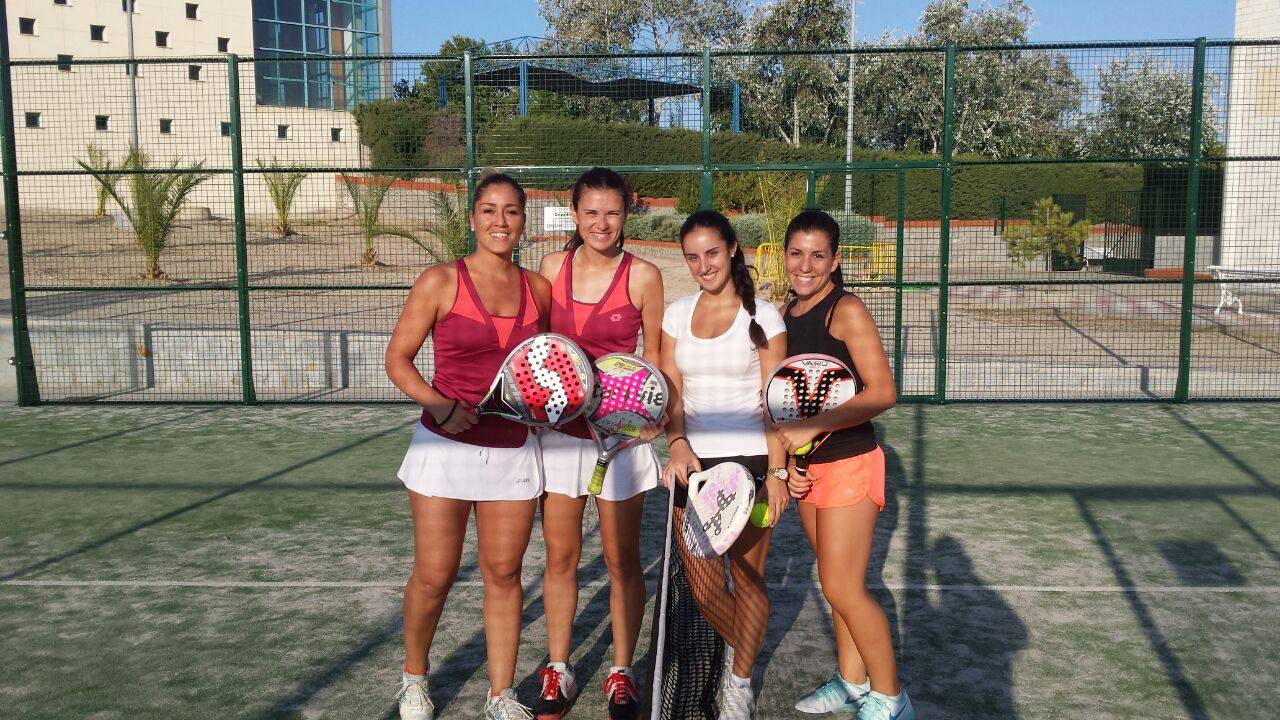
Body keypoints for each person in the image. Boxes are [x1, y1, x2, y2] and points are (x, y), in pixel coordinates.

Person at [385, 173, 551, 720]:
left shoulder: (538, 290)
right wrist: (439, 405)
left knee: (504, 576)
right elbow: (398, 360)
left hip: (513, 451)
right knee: (435, 573)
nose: (500, 222)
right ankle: (414, 679)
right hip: (444, 451)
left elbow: (541, 366)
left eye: (511, 212)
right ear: (472, 217)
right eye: (488, 210)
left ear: (524, 221)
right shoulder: (439, 281)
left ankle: (500, 695)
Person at [533, 168, 666, 720]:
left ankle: (620, 670)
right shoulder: (548, 269)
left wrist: (651, 418)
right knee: (560, 557)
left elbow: (656, 357)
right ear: (574, 212)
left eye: (612, 212)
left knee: (621, 561)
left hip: (621, 437)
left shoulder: (645, 276)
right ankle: (558, 668)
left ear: (627, 214)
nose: (602, 223)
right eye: (591, 212)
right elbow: (539, 352)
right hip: (560, 436)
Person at [775, 209, 913, 720]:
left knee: (842, 587)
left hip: (853, 462)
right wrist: (792, 459)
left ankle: (892, 699)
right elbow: (790, 402)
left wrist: (813, 430)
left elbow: (883, 391)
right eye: (796, 253)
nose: (805, 265)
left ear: (835, 261)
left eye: (817, 255)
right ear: (784, 257)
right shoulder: (785, 314)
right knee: (834, 583)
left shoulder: (846, 310)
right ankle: (853, 683)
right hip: (811, 471)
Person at [659, 209, 790, 720]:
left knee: (747, 578)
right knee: (706, 586)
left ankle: (739, 681)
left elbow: (776, 400)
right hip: (694, 467)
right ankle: (745, 650)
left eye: (711, 253)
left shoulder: (765, 317)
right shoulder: (676, 313)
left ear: (733, 248)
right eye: (692, 257)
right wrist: (676, 443)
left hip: (752, 465)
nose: (703, 265)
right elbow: (673, 387)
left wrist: (776, 474)